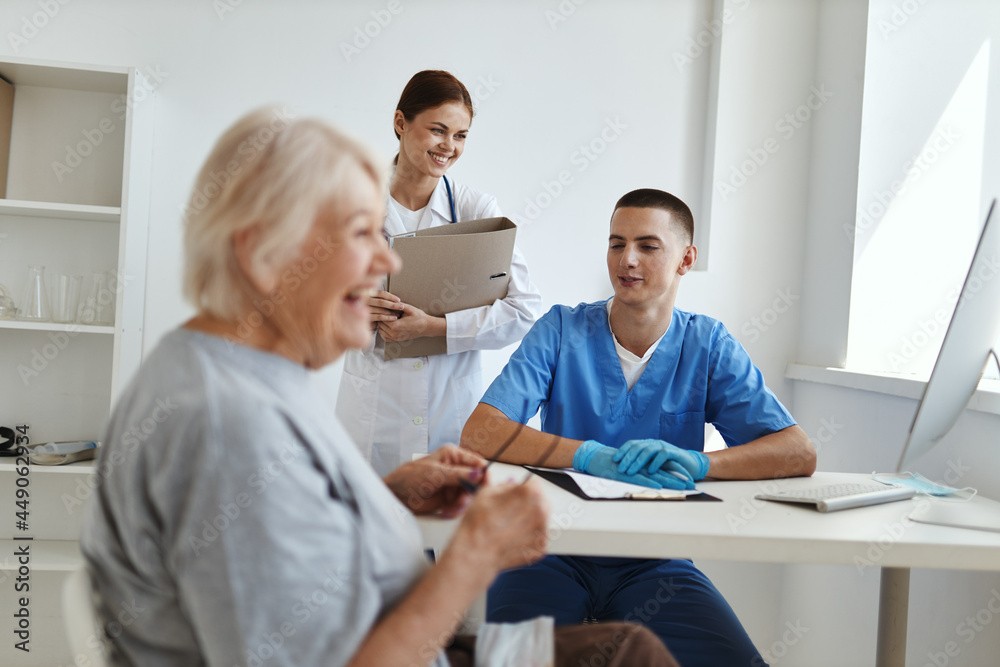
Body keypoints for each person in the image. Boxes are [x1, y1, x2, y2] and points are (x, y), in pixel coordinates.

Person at [80, 110, 678, 667]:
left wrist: (384, 497)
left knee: (629, 646)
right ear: (263, 255)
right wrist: (473, 556)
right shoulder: (224, 422)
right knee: (632, 654)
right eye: (361, 234)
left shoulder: (231, 371)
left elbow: (278, 533)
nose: (385, 263)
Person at [461, 188, 817, 666]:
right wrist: (587, 455)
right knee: (511, 661)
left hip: (654, 561)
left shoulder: (707, 344)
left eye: (648, 246)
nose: (626, 260)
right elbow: (481, 431)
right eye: (616, 243)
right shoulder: (561, 330)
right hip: (546, 550)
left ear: (686, 259)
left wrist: (700, 463)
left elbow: (797, 452)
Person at [336, 70, 542, 477]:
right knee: (369, 534)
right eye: (438, 130)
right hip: (371, 415)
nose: (449, 146)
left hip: (448, 413)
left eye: (461, 135)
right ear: (400, 123)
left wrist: (435, 326)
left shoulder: (476, 210)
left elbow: (524, 311)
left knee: (445, 536)